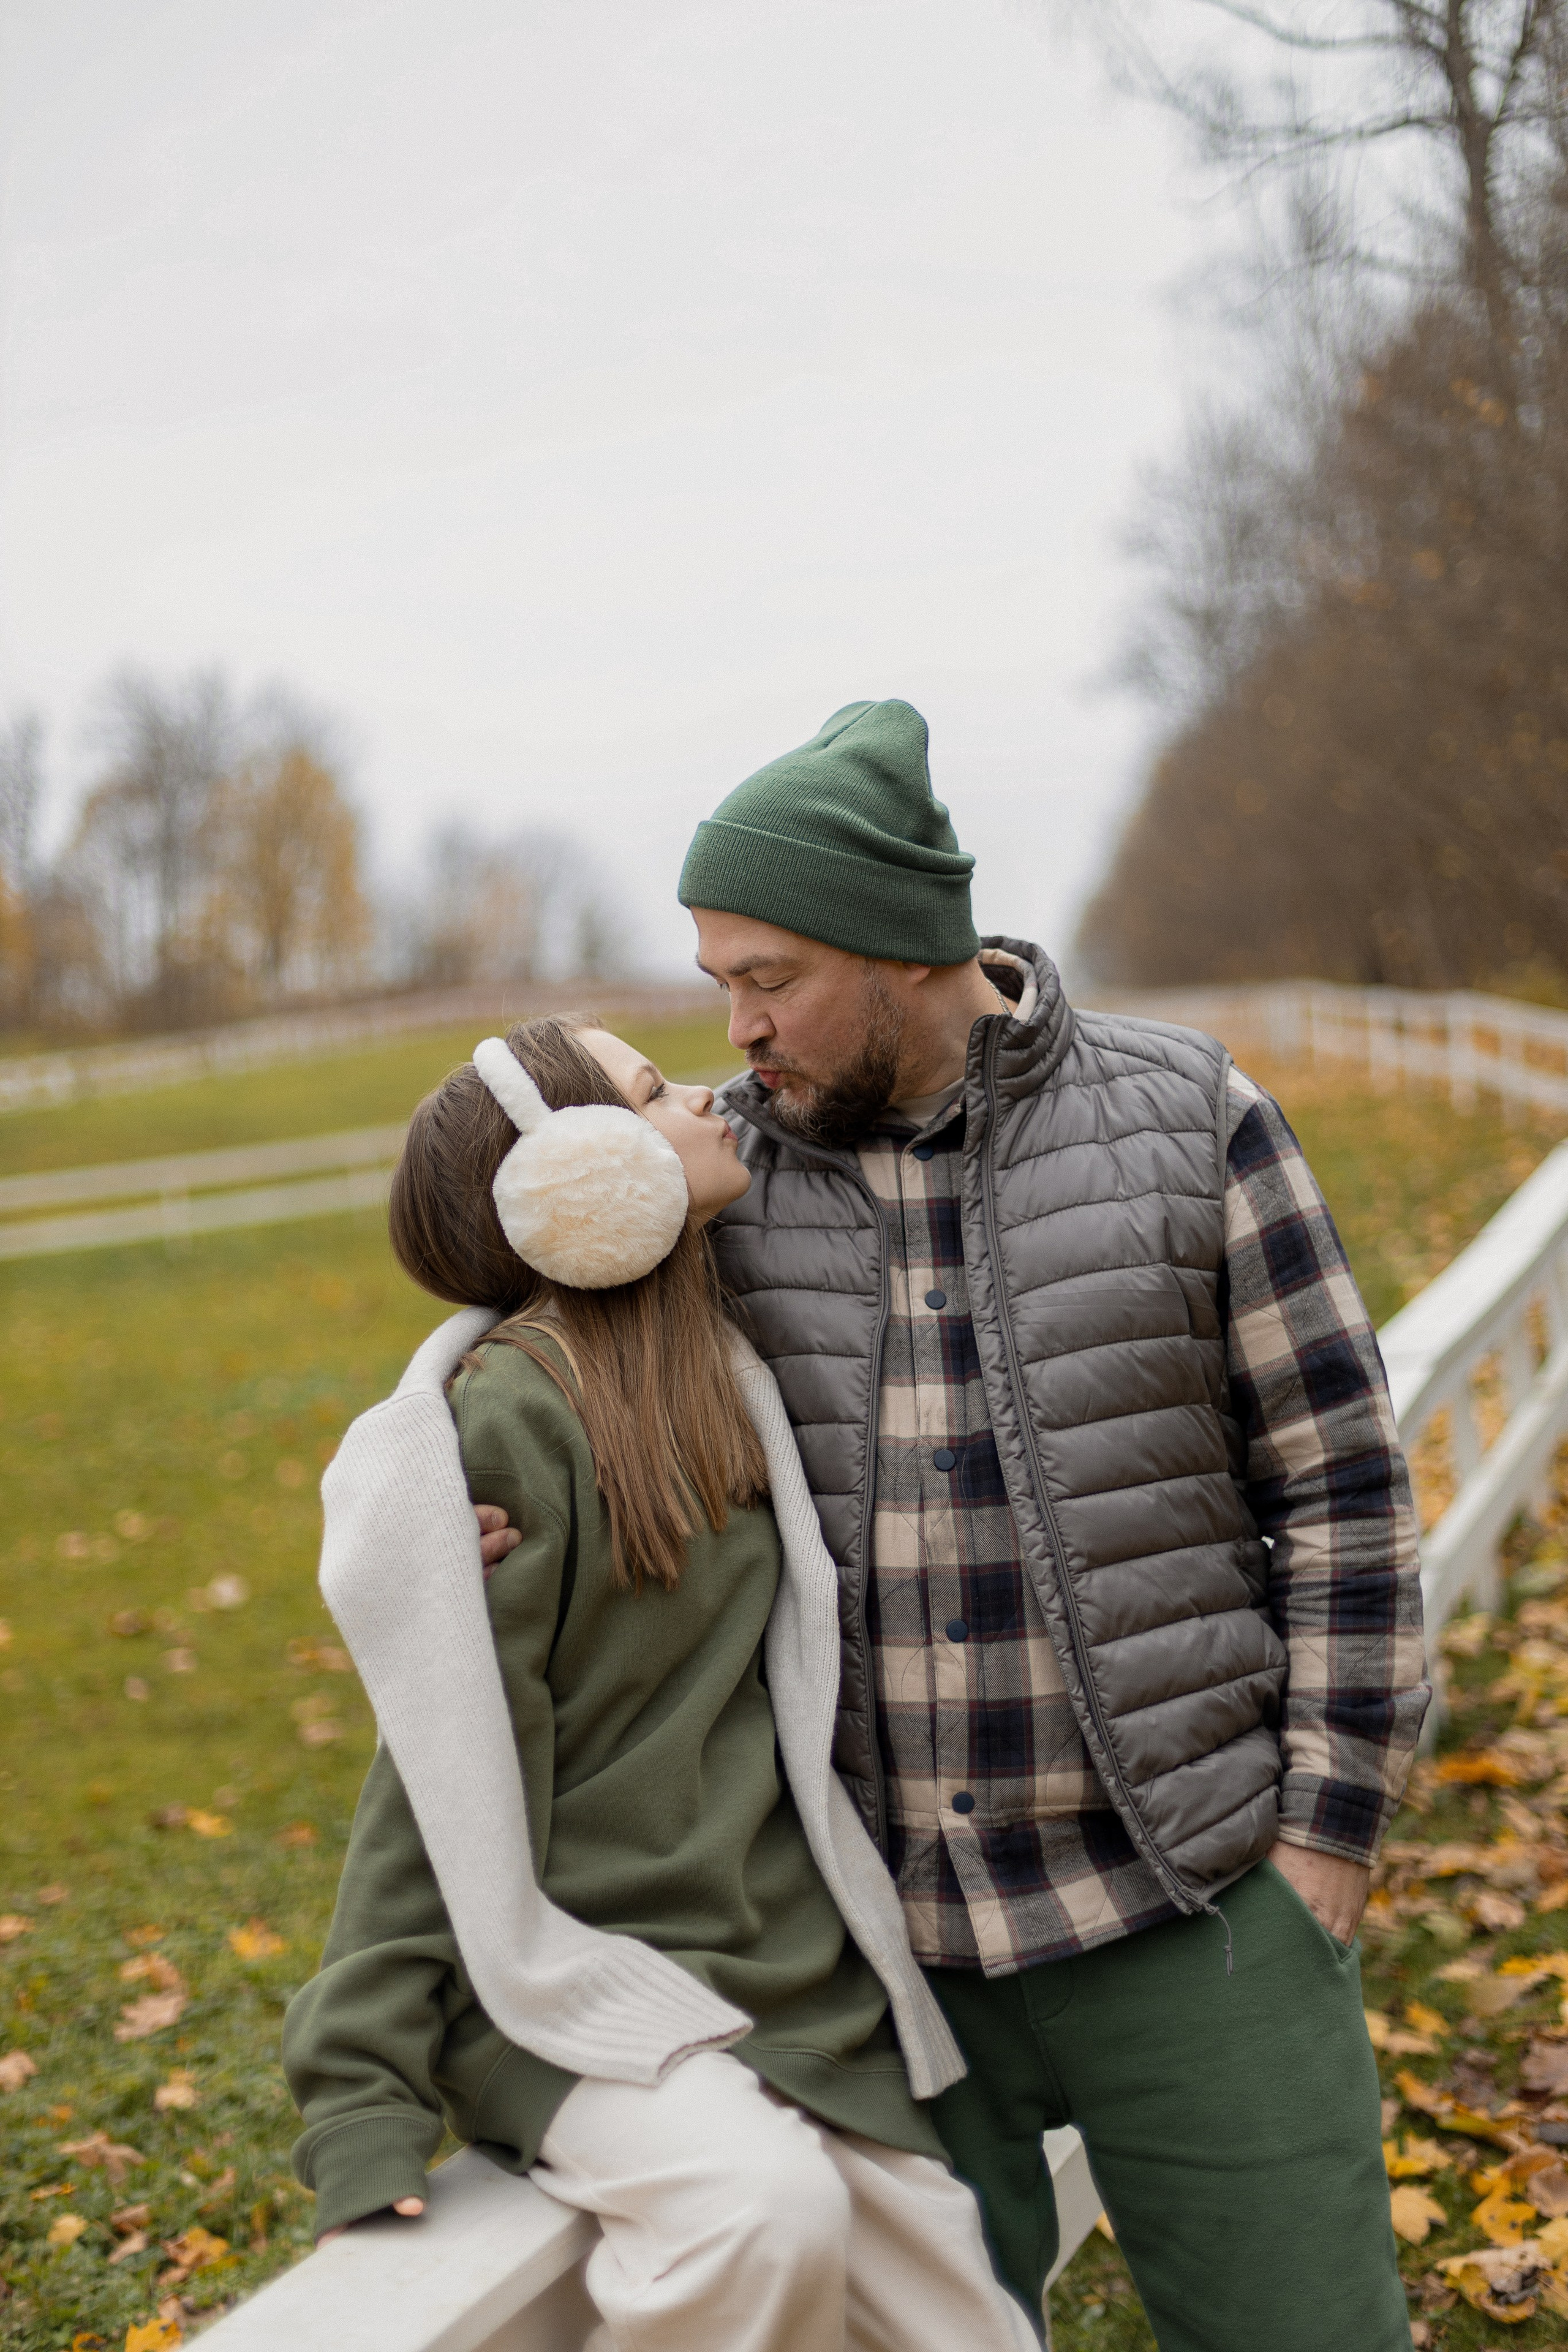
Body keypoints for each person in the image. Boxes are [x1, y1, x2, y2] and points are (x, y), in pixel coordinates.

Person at [666, 698, 1430, 2352]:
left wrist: (1324, 1841)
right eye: (719, 980)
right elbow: (556, 1380)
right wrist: (479, 1499)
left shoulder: (1191, 1116)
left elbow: (1343, 1486)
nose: (738, 1025)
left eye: (769, 975)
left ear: (899, 943)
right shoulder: (715, 1183)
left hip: (1194, 1904)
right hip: (875, 1965)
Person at [283, 1014, 1037, 2352]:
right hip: (575, 1987)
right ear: (573, 1169)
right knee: (761, 2215)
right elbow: (439, 1768)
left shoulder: (726, 1367)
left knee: (968, 2328)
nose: (704, 1093)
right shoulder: (511, 1423)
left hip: (781, 1972)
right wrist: (360, 2096)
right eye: (649, 1090)